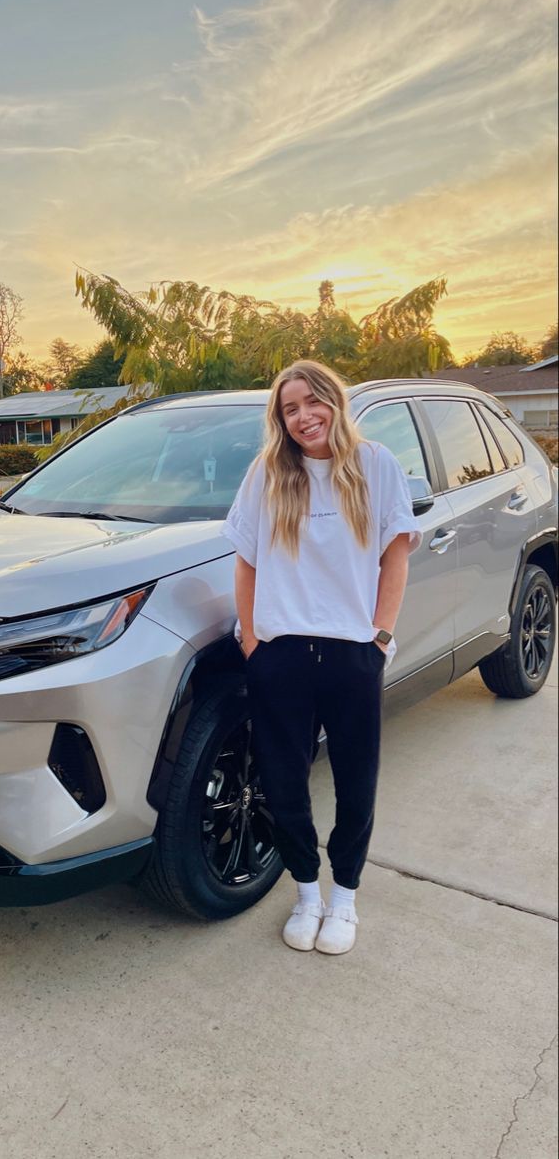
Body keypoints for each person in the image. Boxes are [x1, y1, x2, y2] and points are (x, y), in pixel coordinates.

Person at [221, 360, 421, 955]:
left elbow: (395, 558)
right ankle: (306, 892)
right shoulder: (268, 474)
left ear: (334, 401)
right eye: (290, 408)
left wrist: (380, 637)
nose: (304, 416)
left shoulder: (375, 466)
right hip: (280, 653)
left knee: (357, 782)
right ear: (280, 419)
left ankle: (346, 898)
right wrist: (255, 642)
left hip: (351, 653)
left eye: (313, 402)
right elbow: (246, 561)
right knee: (283, 782)